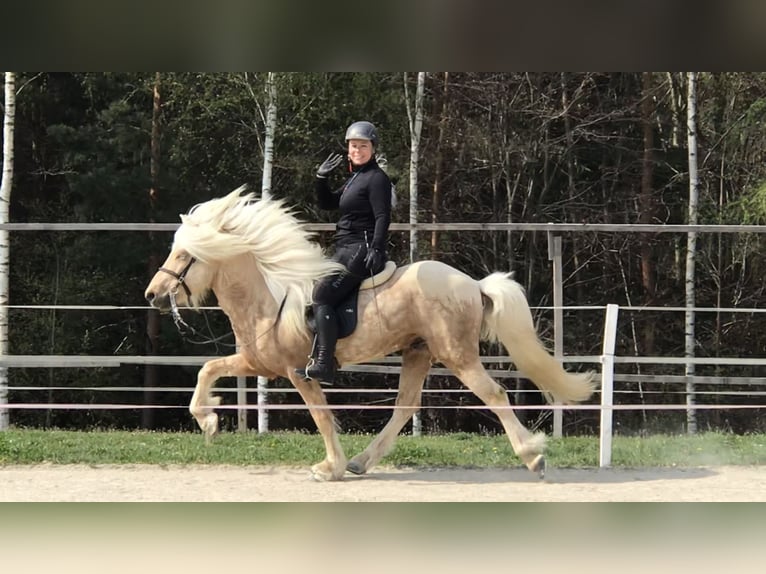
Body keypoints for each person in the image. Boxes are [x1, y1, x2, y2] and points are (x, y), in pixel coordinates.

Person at [296, 120, 393, 385]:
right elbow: (329, 203)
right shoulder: (356, 178)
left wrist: (377, 247)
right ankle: (318, 354)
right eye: (353, 146)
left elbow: (383, 216)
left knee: (323, 294)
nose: (357, 150)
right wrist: (320, 178)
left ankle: (326, 363)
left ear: (373, 148)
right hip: (343, 247)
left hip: (360, 248)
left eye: (363, 146)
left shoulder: (376, 179)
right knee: (312, 289)